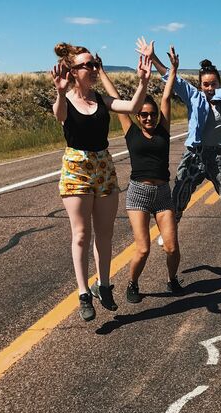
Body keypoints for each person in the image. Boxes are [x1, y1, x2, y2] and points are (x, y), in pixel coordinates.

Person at [50, 43, 151, 321]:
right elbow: (60, 116)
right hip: (76, 168)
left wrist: (143, 82)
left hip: (104, 167)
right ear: (73, 71)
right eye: (88, 65)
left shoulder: (101, 101)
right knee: (81, 234)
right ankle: (83, 293)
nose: (94, 69)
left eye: (95, 64)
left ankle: (103, 285)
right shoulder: (66, 99)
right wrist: (59, 92)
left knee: (105, 233)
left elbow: (131, 106)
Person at [136, 38, 221, 243]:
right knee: (180, 195)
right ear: (200, 85)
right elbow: (168, 76)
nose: (209, 88)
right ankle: (173, 225)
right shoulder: (193, 96)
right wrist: (152, 56)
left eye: (213, 84)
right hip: (194, 154)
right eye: (205, 84)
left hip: (217, 155)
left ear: (219, 83)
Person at [96, 47, 181, 303]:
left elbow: (166, 97)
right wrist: (100, 71)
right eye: (143, 114)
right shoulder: (131, 131)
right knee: (143, 249)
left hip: (163, 193)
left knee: (172, 247)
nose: (148, 118)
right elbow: (116, 97)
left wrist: (173, 69)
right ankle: (132, 284)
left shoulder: (163, 130)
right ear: (137, 115)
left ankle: (172, 280)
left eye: (152, 114)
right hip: (139, 194)